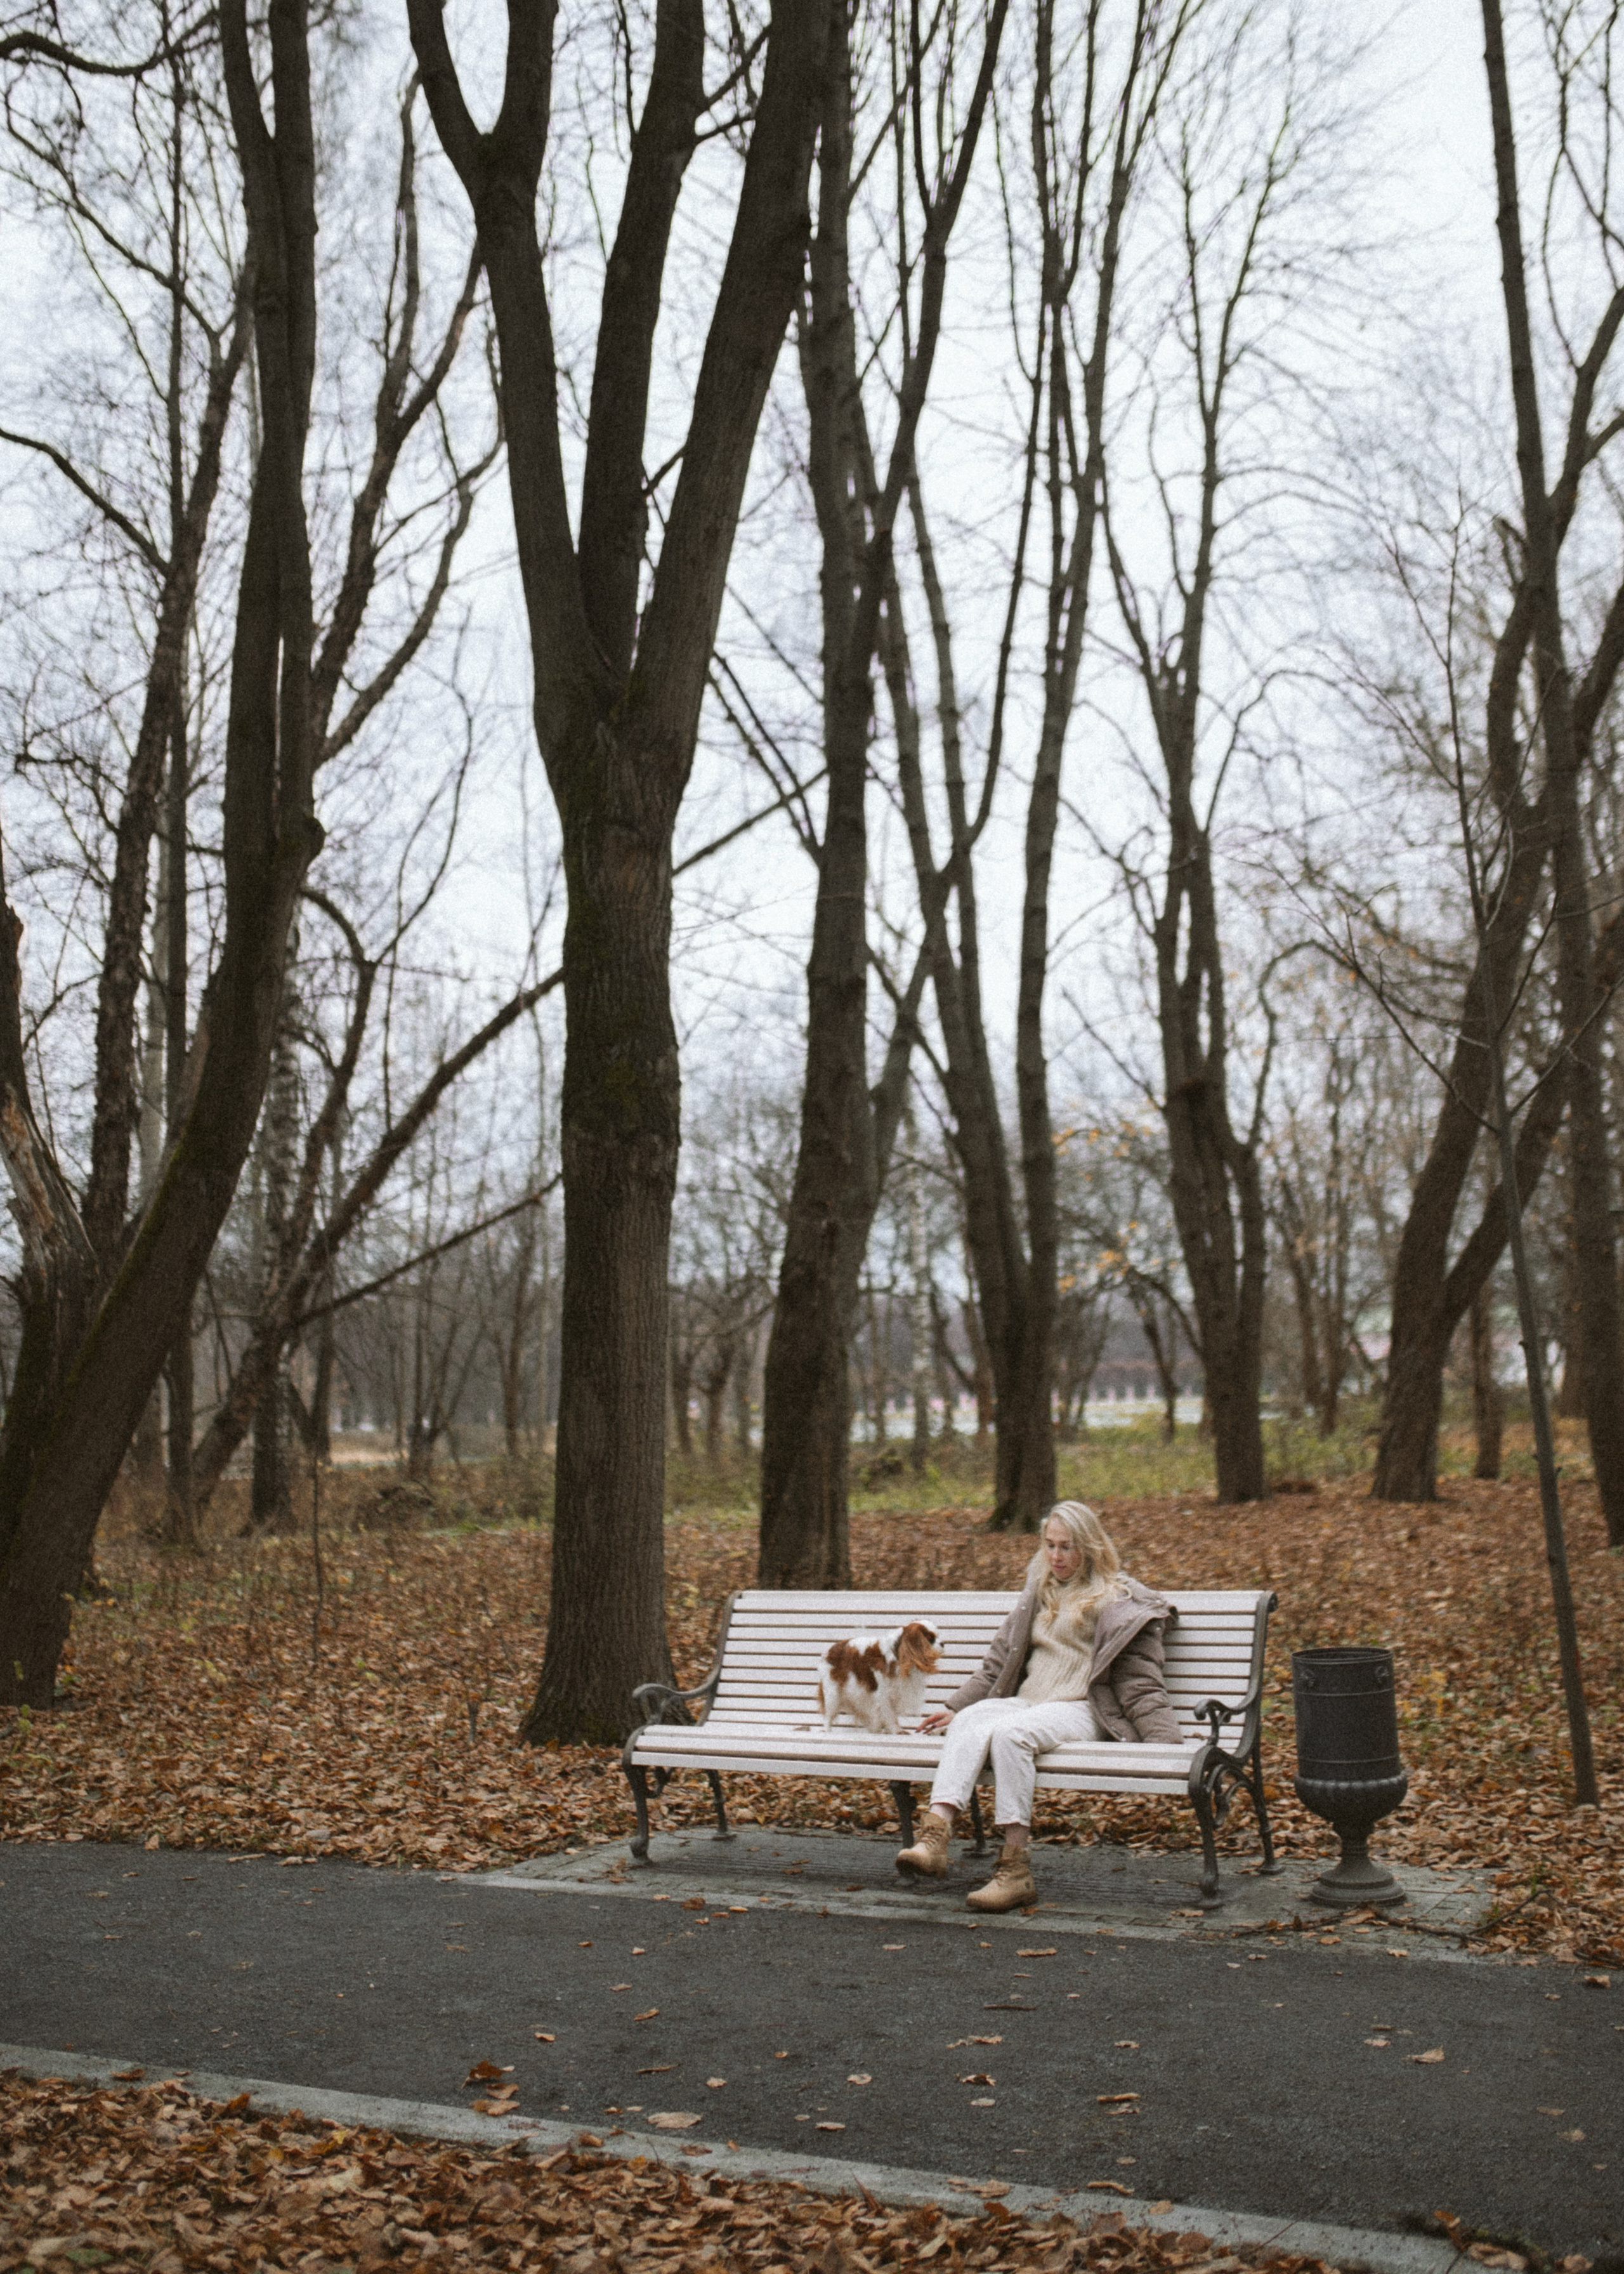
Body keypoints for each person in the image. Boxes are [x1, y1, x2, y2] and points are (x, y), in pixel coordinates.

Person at [895, 1499, 1181, 1911]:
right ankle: (934, 1839)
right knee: (971, 1721)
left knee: (1011, 1736)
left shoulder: (1118, 1601)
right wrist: (958, 1707)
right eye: (1050, 1545)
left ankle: (1015, 1871)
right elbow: (997, 1664)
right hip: (1029, 1702)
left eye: (1067, 1547)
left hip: (1081, 1708)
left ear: (1090, 1546)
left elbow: (1140, 1682)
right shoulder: (1038, 1594)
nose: (1056, 1556)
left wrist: (1165, 1747)